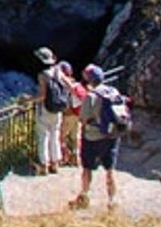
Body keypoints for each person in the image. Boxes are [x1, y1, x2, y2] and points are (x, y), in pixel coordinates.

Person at [71, 63, 126, 212]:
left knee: (87, 168)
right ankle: (112, 201)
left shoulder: (91, 96)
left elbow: (82, 118)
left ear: (89, 80)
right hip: (112, 135)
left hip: (92, 137)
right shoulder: (113, 91)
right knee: (110, 170)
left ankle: (84, 196)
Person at [33, 47, 66, 175]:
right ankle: (55, 164)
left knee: (43, 136)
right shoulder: (58, 71)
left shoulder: (43, 75)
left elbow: (43, 95)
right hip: (58, 109)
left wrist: (28, 100)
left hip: (45, 109)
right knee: (55, 135)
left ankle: (44, 165)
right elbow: (68, 85)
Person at [58, 59, 85, 161]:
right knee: (76, 136)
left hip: (68, 114)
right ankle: (77, 157)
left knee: (61, 137)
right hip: (78, 113)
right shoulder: (75, 83)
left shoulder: (64, 84)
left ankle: (65, 156)